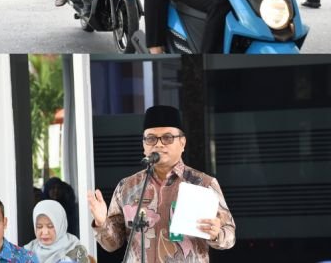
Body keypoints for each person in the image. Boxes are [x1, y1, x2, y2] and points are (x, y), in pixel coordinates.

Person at [86, 105, 235, 262]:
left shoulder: (204, 184)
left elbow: (230, 237)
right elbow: (112, 245)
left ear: (182, 143)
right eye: (151, 138)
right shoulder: (127, 187)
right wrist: (102, 223)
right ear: (144, 145)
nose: (158, 144)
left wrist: (217, 234)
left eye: (167, 137)